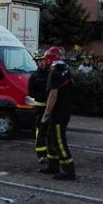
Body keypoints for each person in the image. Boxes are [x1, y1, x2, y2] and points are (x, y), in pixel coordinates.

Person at [39, 46, 76, 180]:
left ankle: (68, 170)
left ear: (50, 59)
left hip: (58, 113)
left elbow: (53, 95)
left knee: (59, 141)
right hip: (64, 110)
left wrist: (46, 114)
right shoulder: (66, 70)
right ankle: (53, 165)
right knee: (51, 138)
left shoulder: (54, 73)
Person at [28, 53, 50, 164]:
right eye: (39, 61)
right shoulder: (34, 76)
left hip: (50, 108)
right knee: (39, 133)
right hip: (39, 109)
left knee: (50, 133)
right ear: (37, 62)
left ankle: (52, 155)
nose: (41, 62)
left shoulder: (50, 74)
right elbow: (30, 93)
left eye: (43, 60)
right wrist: (41, 96)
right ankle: (41, 156)